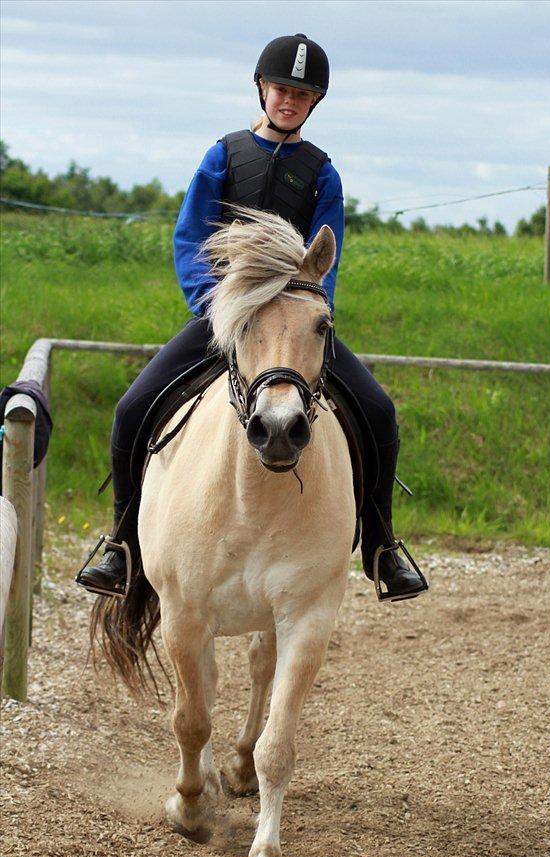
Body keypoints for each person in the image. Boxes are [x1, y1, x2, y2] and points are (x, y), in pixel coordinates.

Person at [77, 32, 428, 602]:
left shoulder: (323, 174)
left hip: (295, 323)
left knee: (380, 412)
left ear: (315, 103)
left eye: (302, 93)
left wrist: (313, 310)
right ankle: (120, 545)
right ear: (262, 89)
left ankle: (384, 548)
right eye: (281, 88)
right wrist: (216, 307)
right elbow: (191, 237)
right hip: (227, 317)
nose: (289, 100)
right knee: (131, 408)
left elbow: (324, 259)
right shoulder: (223, 155)